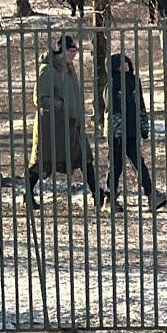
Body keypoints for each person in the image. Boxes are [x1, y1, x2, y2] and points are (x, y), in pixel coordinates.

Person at [24, 35, 105, 210]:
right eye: (70, 51)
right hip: (52, 125)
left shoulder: (69, 69)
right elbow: (40, 99)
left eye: (75, 51)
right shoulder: (47, 69)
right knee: (42, 162)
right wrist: (61, 105)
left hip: (72, 124)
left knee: (85, 158)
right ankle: (28, 195)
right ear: (61, 51)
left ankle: (97, 194)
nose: (73, 55)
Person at [104, 53, 167, 212]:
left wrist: (143, 125)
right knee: (115, 166)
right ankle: (110, 199)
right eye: (121, 64)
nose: (125, 65)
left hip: (132, 130)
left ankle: (152, 195)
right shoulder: (111, 84)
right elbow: (111, 109)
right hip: (117, 133)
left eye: (126, 62)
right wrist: (117, 130)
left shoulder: (133, 81)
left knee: (139, 163)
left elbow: (140, 104)